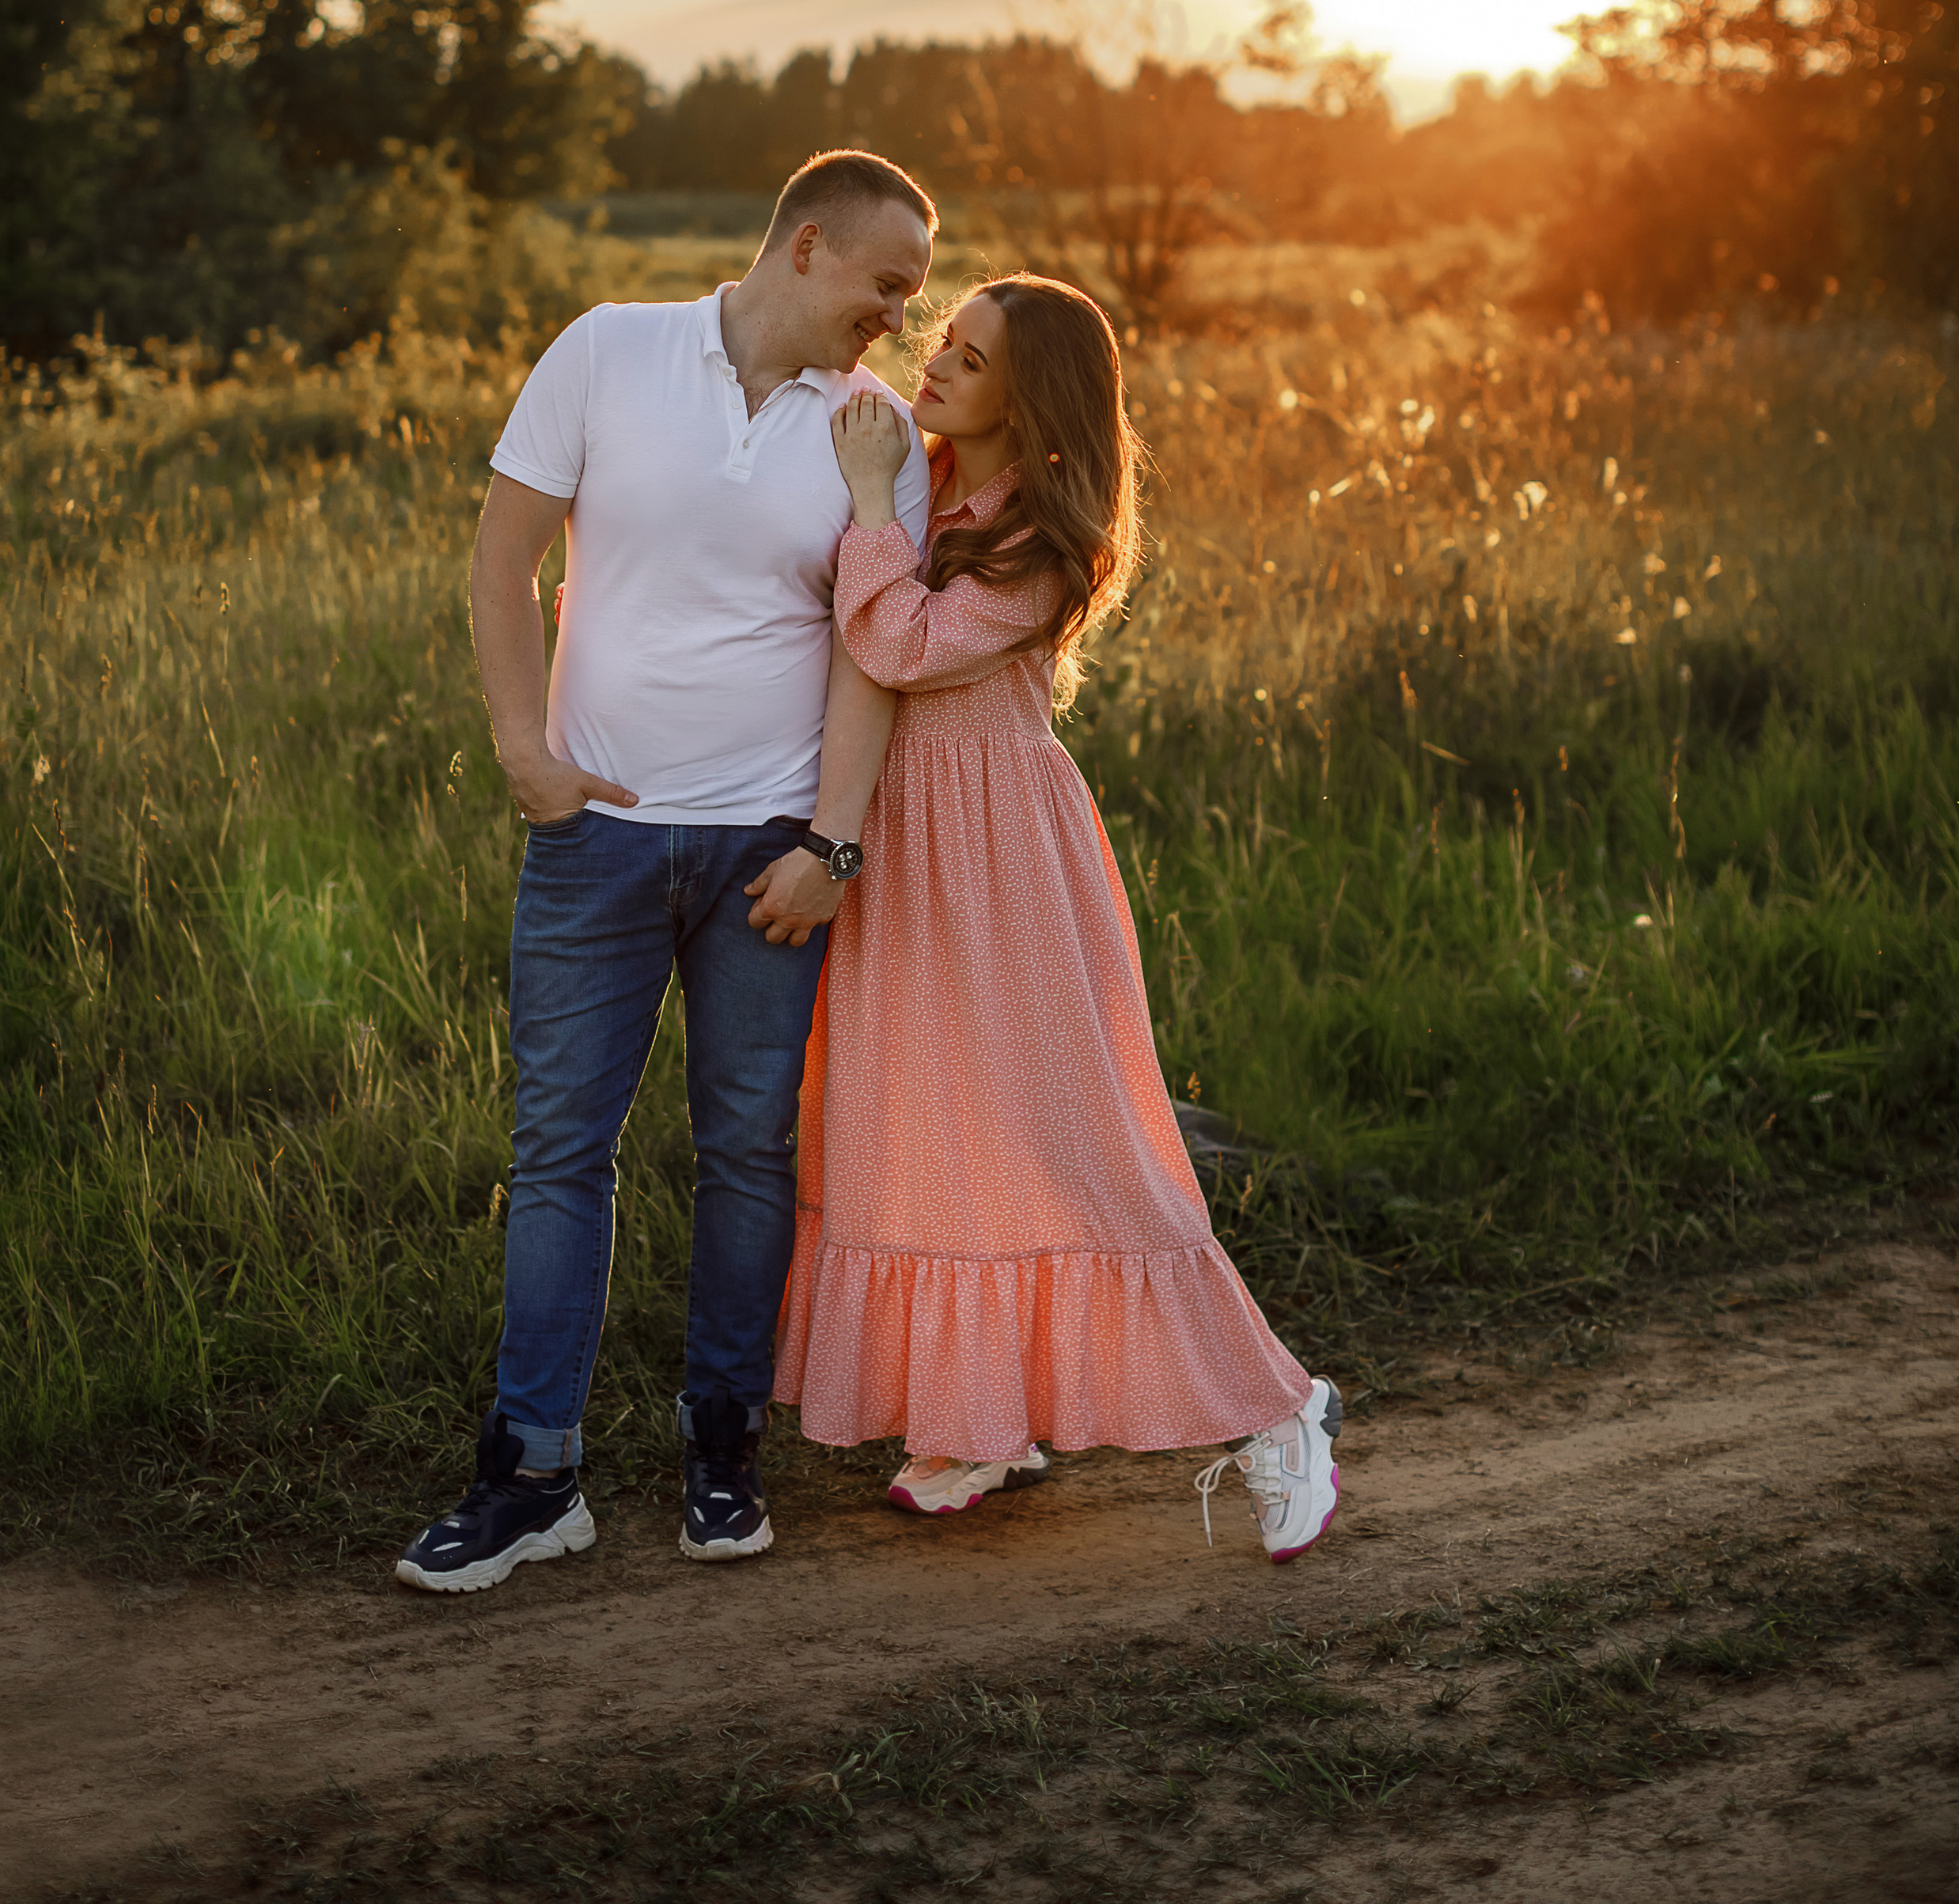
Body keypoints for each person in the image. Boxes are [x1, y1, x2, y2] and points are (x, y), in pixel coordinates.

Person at [396, 151, 935, 1594]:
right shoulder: (605, 350)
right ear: (808, 247)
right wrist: (525, 747)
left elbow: (870, 650)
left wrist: (833, 844)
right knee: (560, 1149)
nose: (902, 317)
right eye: (890, 285)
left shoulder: (877, 435)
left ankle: (721, 1451)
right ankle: (532, 1473)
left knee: (749, 1152)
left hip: (771, 847)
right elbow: (505, 558)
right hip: (598, 840)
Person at [772, 275, 1342, 1562]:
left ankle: (1281, 1407)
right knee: (926, 1123)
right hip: (905, 844)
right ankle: (981, 1420)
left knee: (1066, 1137)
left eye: (970, 361)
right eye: (944, 341)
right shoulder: (921, 483)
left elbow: (904, 648)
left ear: (1030, 407)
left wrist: (868, 506)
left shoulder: (1043, 538)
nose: (936, 365)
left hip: (1001, 859)